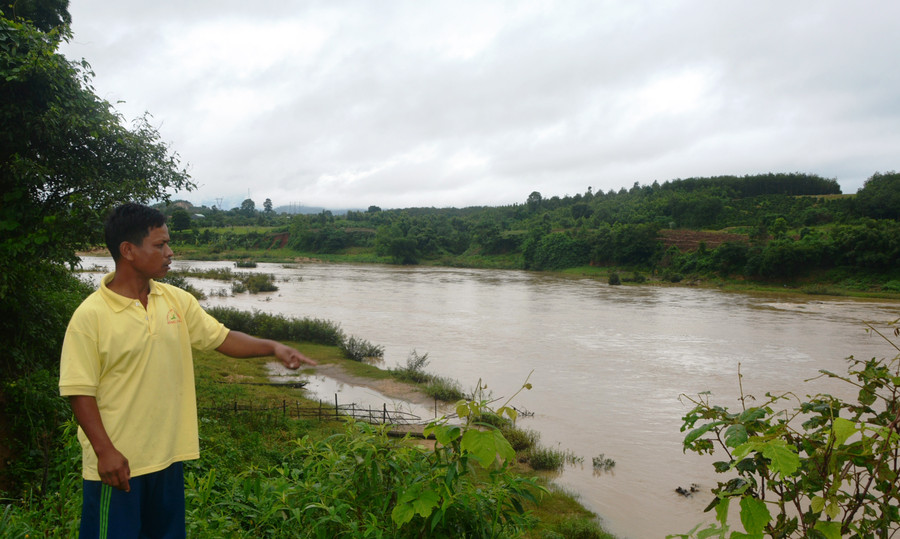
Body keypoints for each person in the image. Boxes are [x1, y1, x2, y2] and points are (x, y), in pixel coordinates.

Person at [59, 202, 316, 538]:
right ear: (128, 250)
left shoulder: (176, 300)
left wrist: (273, 347)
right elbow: (79, 390)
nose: (170, 253)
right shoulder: (90, 316)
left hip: (167, 459)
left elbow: (222, 338)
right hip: (118, 467)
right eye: (160, 245)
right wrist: (105, 452)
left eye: (168, 244)